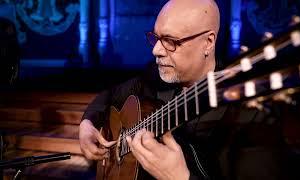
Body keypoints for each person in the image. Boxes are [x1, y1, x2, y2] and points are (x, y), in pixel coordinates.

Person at [79, 0, 285, 179]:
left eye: (170, 41)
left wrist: (180, 177)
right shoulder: (154, 78)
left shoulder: (253, 118)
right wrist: (88, 123)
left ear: (208, 42)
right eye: (156, 38)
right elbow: (110, 95)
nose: (156, 50)